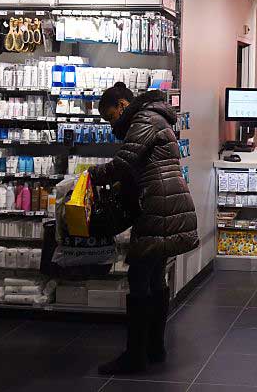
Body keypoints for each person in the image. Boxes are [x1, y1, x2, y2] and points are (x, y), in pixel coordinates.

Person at [90, 82, 199, 375]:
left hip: (158, 204)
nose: (113, 124)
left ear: (123, 106)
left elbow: (124, 162)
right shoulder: (155, 116)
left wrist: (90, 175)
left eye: (111, 117)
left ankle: (135, 356)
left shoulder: (144, 119)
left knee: (139, 275)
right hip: (166, 201)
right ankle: (154, 347)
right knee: (155, 276)